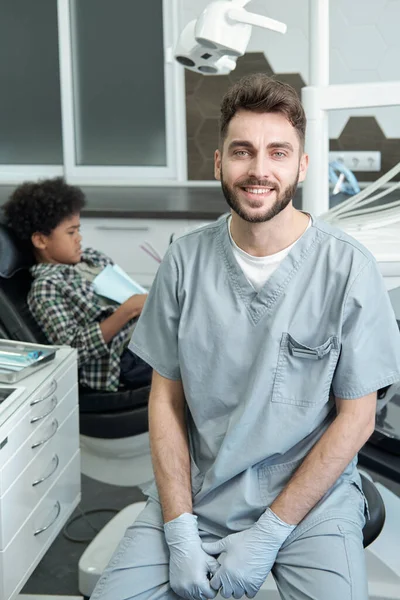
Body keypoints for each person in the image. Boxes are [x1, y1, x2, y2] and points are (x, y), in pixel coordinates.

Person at [90, 74, 400, 600]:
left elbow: (358, 417)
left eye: (278, 152)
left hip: (313, 503)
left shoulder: (347, 267)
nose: (259, 169)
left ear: (301, 166)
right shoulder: (185, 261)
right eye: (242, 151)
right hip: (201, 489)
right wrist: (179, 526)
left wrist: (272, 530)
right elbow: (165, 400)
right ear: (219, 164)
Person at [3, 177, 152, 392]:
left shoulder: (92, 258)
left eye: (78, 230)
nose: (79, 238)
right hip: (122, 361)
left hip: (145, 336)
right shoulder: (46, 288)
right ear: (41, 241)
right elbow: (72, 351)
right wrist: (127, 311)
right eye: (71, 232)